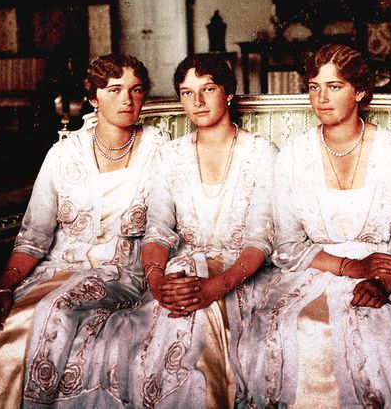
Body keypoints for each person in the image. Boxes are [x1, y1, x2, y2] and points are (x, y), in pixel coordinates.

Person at [0, 54, 170, 408]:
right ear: (93, 98)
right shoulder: (63, 154)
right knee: (1, 328)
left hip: (122, 272)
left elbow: (166, 228)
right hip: (57, 268)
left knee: (55, 312)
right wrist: (3, 287)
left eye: (136, 90)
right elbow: (34, 235)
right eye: (114, 90)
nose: (127, 99)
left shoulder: (162, 150)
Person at [97, 53, 277, 408]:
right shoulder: (169, 156)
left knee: (200, 323)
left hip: (239, 276)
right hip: (183, 272)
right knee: (164, 323)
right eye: (186, 92)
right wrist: (157, 281)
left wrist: (217, 286)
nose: (197, 101)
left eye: (208, 89)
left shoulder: (261, 153)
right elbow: (158, 232)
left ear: (228, 93)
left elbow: (262, 238)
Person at [237, 43, 391, 408]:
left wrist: (380, 281)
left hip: (381, 276)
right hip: (311, 269)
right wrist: (349, 267)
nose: (321, 97)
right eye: (314, 86)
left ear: (360, 91)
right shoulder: (293, 155)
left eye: (335, 86)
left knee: (367, 337)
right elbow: (286, 245)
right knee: (284, 333)